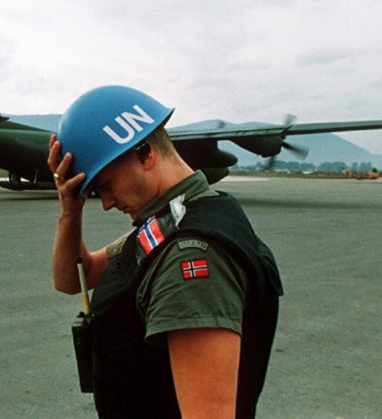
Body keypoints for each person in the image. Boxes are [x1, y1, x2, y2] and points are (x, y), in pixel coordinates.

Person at [48, 85, 282, 418]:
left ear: (144, 154)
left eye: (106, 186)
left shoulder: (190, 255)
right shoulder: (174, 221)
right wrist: (70, 211)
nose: (107, 203)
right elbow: (74, 278)